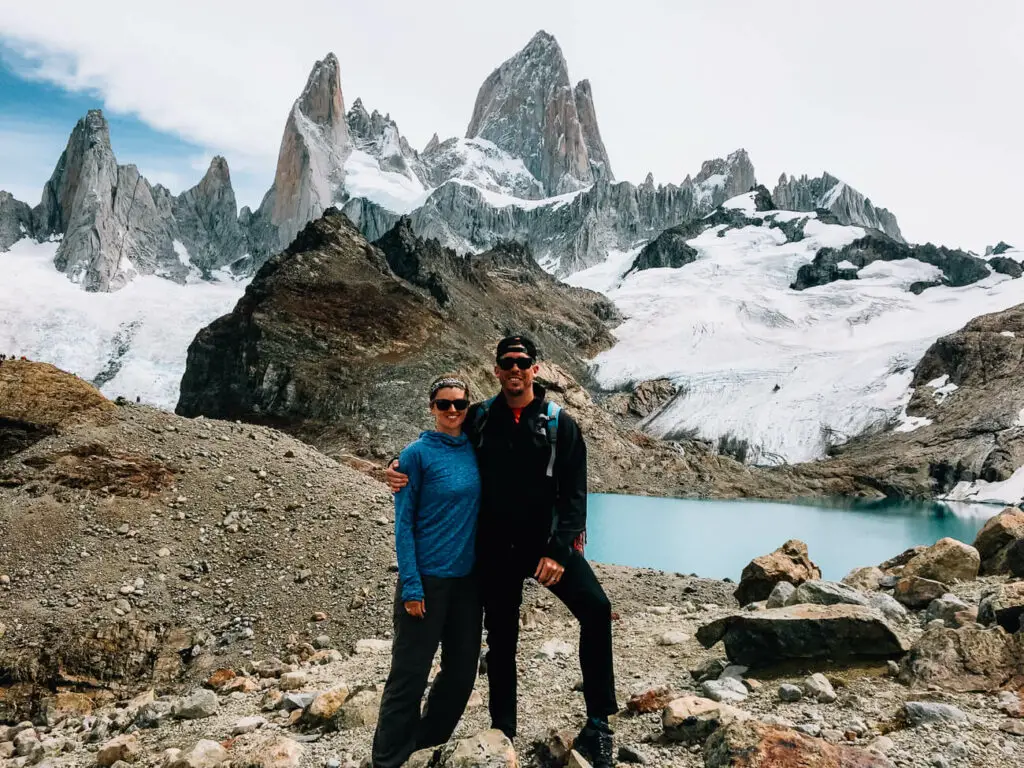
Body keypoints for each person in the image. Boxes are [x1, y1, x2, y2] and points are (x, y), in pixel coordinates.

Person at [387, 336, 617, 767]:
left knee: (596, 609)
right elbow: (442, 435)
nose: (515, 369)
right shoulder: (480, 417)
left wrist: (559, 549)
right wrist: (398, 466)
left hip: (546, 547)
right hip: (495, 549)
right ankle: (503, 729)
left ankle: (599, 723)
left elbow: (574, 493)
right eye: (507, 362)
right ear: (496, 370)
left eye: (523, 362)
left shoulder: (557, 423)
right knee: (503, 640)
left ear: (535, 368)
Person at [371, 374, 483, 768]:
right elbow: (404, 524)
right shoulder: (415, 455)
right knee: (409, 676)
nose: (453, 410)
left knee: (462, 672)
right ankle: (387, 760)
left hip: (467, 583)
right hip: (427, 580)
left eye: (459, 404)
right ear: (431, 407)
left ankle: (421, 743)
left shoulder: (476, 447)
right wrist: (412, 585)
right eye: (444, 404)